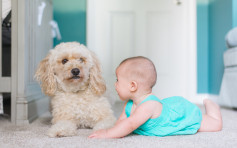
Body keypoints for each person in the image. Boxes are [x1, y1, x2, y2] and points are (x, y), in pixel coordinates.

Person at [89, 56, 223, 138]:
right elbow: (121, 123)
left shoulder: (148, 106)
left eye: (118, 80)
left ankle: (212, 107)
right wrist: (112, 131)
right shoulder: (129, 104)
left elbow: (130, 124)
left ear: (132, 86)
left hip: (177, 115)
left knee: (215, 125)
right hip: (166, 108)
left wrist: (107, 135)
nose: (115, 84)